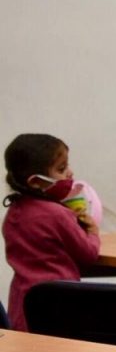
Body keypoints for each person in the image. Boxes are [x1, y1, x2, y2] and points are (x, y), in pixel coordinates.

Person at [2, 133, 100, 331]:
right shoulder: (58, 214)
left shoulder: (13, 213)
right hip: (58, 307)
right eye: (61, 169)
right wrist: (92, 232)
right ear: (35, 182)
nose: (70, 173)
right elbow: (88, 254)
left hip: (22, 305)